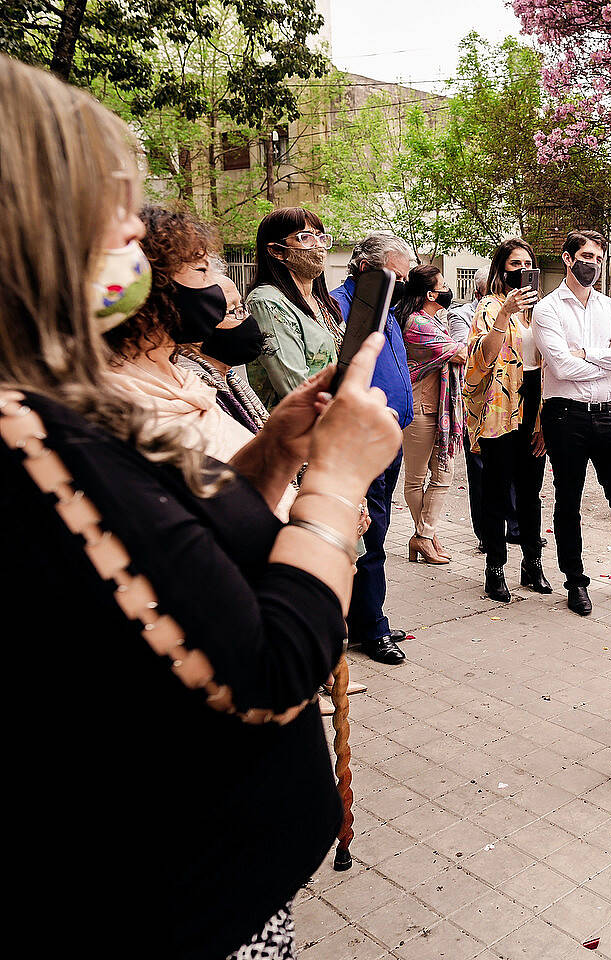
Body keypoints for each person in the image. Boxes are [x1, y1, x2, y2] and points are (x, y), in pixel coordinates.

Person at [1, 55, 403, 956]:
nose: (130, 235)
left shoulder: (58, 403)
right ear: (32, 224)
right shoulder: (31, 432)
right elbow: (267, 670)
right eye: (109, 203)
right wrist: (336, 483)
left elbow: (187, 550)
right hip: (184, 902)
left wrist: (277, 450)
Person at [532, 229, 611, 616]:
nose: (592, 263)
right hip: (566, 417)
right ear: (567, 258)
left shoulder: (610, 308)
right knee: (569, 500)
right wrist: (603, 359)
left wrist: (588, 353)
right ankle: (575, 581)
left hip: (610, 414)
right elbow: (560, 365)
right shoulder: (547, 309)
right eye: (586, 256)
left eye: (598, 257)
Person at [105, 206, 259, 465]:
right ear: (151, 289)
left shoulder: (185, 381)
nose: (216, 286)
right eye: (201, 271)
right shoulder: (127, 406)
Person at [330, 233, 418, 665]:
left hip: (391, 438)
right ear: (366, 269)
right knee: (366, 535)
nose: (401, 285)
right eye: (394, 276)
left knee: (377, 533)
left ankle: (368, 617)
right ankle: (370, 628)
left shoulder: (386, 310)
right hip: (360, 441)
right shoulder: (340, 309)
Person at [465, 238, 552, 602]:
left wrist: (544, 421)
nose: (522, 269)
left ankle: (532, 564)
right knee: (497, 492)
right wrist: (505, 315)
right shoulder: (490, 306)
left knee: (531, 492)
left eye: (528, 263)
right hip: (500, 405)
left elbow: (550, 365)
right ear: (501, 269)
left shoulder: (541, 311)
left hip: (534, 398)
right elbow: (480, 359)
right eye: (514, 263)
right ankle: (495, 568)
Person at [393, 266, 467, 566]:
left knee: (443, 474)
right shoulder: (415, 323)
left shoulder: (433, 320)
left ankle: (424, 535)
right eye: (444, 284)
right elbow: (460, 353)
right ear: (430, 293)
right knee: (416, 477)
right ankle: (426, 537)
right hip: (421, 407)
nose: (448, 288)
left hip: (440, 407)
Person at [245, 208, 344, 411]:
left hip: (333, 418)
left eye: (321, 237)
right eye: (305, 237)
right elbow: (295, 388)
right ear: (276, 251)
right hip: (297, 428)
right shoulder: (267, 302)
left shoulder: (321, 301)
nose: (318, 246)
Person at [176, 256, 271, 436]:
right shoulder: (195, 388)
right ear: (195, 326)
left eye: (242, 307)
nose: (245, 318)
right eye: (232, 311)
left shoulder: (229, 377)